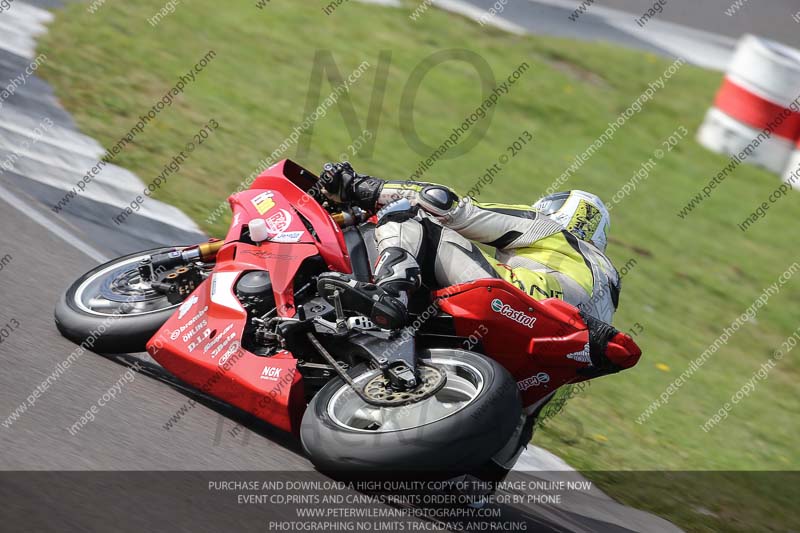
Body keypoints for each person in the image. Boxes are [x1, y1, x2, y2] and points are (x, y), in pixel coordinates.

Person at [315, 161, 625, 479]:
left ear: (557, 212)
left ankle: (390, 293)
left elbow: (448, 205)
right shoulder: (604, 302)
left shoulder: (552, 230)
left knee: (411, 212)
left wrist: (360, 186)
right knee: (523, 409)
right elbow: (525, 411)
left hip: (513, 303)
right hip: (537, 351)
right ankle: (475, 479)